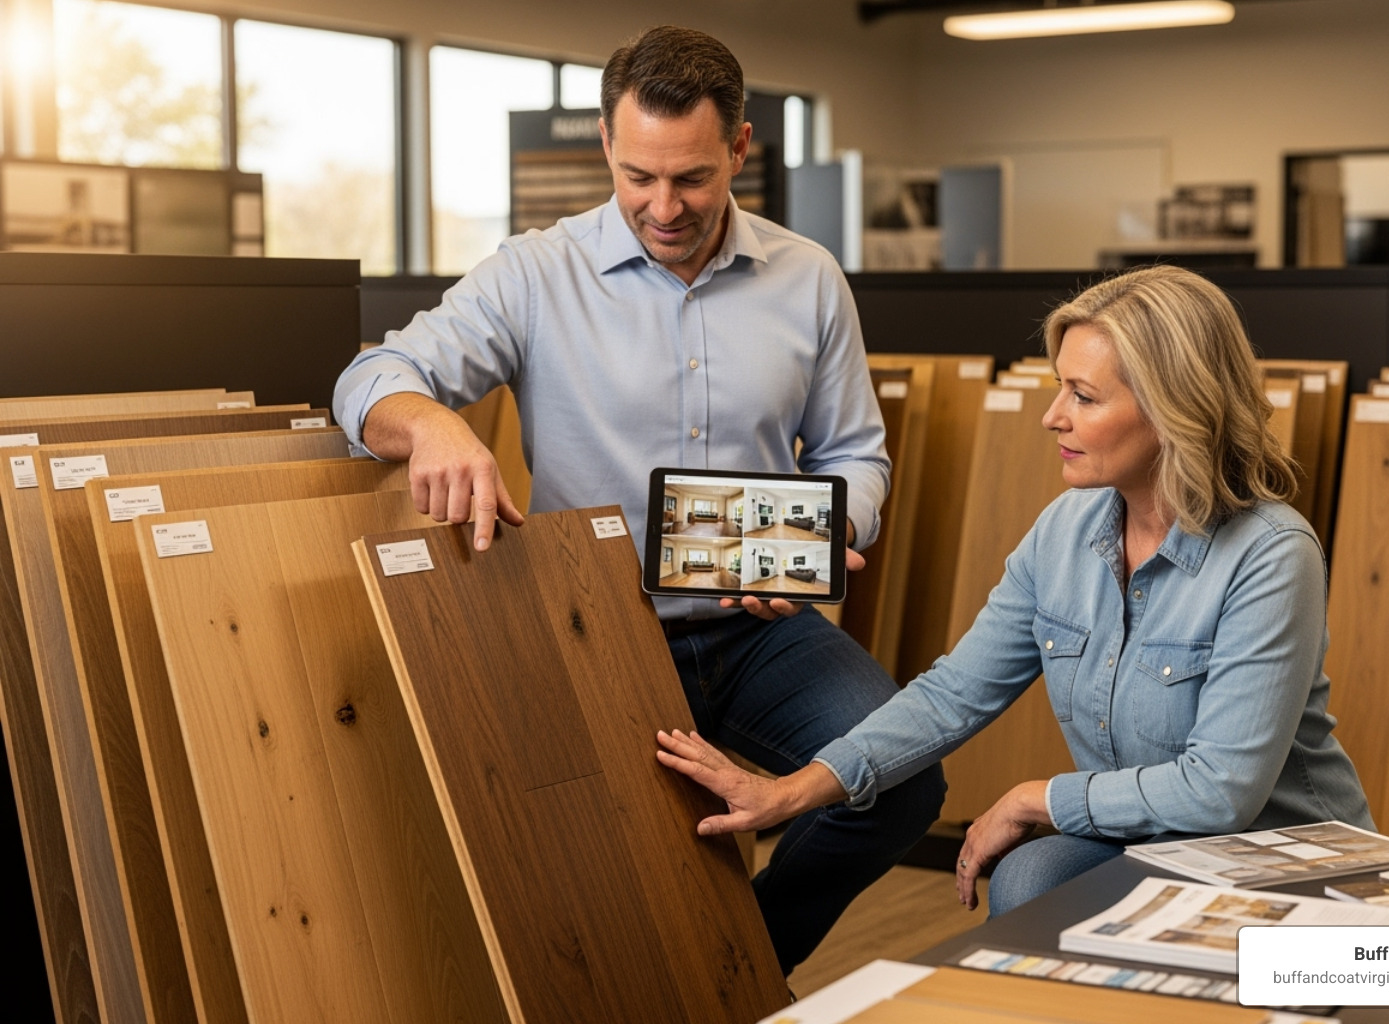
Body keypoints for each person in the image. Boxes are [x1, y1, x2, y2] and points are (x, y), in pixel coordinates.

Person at [332, 25, 945, 971]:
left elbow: (857, 454)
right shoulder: (536, 273)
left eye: (693, 178)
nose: (663, 207)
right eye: (638, 176)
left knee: (903, 782)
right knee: (599, 866)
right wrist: (435, 425)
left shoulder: (809, 278)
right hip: (592, 625)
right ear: (608, 150)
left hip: (758, 625)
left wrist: (825, 532)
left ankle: (738, 971)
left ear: (740, 149)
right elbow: (370, 379)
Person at [657, 265, 1374, 919]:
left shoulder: (1273, 555)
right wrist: (789, 791)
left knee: (1037, 873)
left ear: (1171, 411)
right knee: (1031, 881)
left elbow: (1220, 792)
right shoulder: (1065, 531)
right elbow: (952, 695)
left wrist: (1040, 798)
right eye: (1060, 386)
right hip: (1152, 840)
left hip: (1277, 855)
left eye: (1083, 396)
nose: (1052, 415)